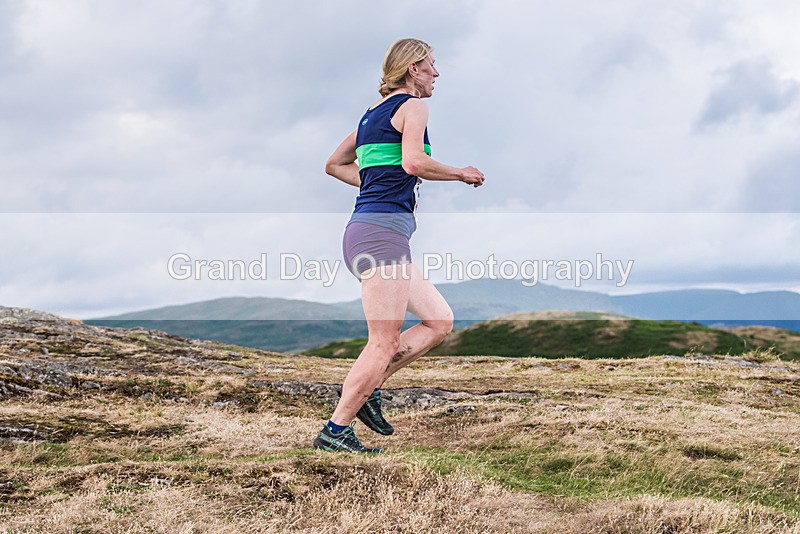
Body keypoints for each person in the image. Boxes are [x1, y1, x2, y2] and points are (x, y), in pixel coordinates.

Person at [314, 38, 485, 453]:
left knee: (439, 321)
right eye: (431, 65)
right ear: (413, 68)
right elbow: (413, 162)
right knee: (383, 341)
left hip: (373, 231)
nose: (436, 74)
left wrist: (376, 182)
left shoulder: (372, 115)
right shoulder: (413, 106)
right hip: (379, 234)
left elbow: (334, 165)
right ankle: (334, 433)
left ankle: (368, 386)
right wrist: (460, 173)